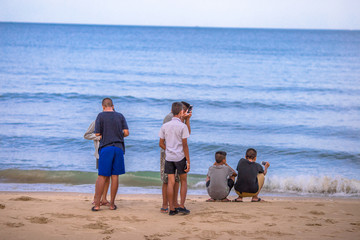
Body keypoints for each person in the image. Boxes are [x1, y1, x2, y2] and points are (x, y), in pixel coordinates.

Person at [92, 98, 129, 211]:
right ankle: (112, 204)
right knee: (115, 176)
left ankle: (97, 204)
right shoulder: (120, 116)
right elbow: (126, 133)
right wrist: (117, 134)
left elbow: (97, 133)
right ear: (112, 106)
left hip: (106, 148)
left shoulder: (101, 116)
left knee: (102, 176)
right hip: (118, 148)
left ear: (103, 106)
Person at [159, 102, 190, 215]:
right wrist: (188, 160)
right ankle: (181, 205)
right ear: (181, 111)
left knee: (171, 182)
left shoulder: (165, 125)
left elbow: (161, 143)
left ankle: (171, 208)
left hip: (169, 157)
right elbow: (185, 144)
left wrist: (169, 150)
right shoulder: (182, 126)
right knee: (183, 181)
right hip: (180, 157)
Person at [84, 120, 111, 206]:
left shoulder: (114, 121)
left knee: (108, 177)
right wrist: (98, 137)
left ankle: (104, 199)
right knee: (101, 176)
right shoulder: (96, 122)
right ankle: (96, 198)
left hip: (111, 152)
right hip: (100, 154)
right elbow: (86, 135)